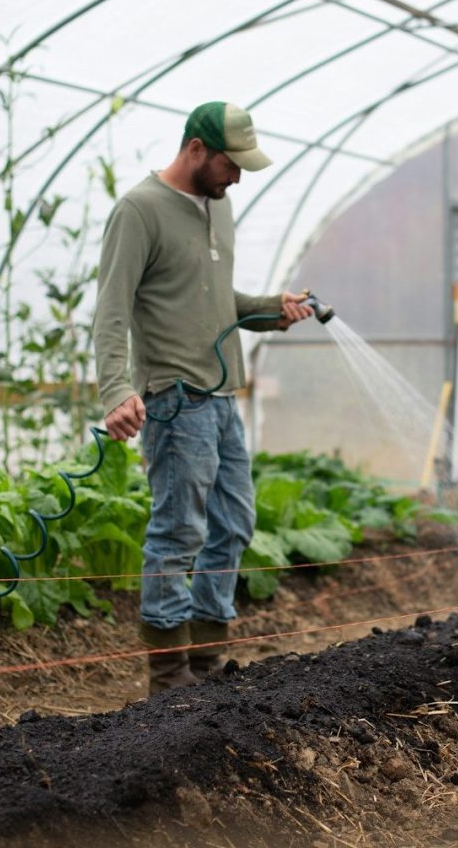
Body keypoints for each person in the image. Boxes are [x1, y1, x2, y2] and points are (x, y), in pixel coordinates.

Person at [93, 101, 313, 695]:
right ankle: (169, 675)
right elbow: (111, 309)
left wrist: (271, 309)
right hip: (174, 399)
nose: (237, 176)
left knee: (234, 522)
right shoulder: (139, 211)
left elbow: (215, 299)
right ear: (196, 149)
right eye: (230, 164)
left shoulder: (220, 205)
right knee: (178, 531)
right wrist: (116, 389)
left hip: (221, 398)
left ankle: (208, 662)